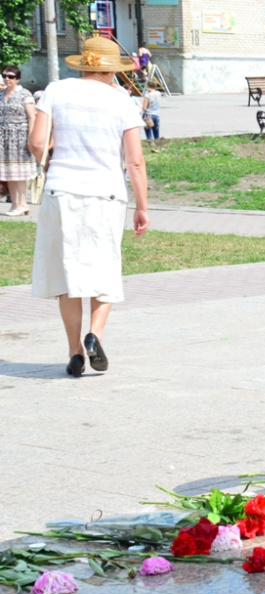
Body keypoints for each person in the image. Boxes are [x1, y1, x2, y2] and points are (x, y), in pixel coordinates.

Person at [27, 36, 149, 378]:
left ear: (84, 64)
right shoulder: (121, 99)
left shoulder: (56, 90)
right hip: (106, 192)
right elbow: (135, 161)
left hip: (61, 190)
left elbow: (37, 142)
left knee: (67, 273)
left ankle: (74, 352)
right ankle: (94, 335)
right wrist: (142, 206)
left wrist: (47, 162)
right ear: (112, 70)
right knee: (104, 268)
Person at [0, 65, 37, 217]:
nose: (7, 79)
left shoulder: (24, 94)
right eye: (4, 76)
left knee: (20, 172)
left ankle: (23, 203)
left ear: (18, 79)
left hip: (20, 137)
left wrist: (30, 137)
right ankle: (15, 204)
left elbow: (32, 117)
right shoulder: (1, 94)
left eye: (11, 76)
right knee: (8, 172)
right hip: (4, 138)